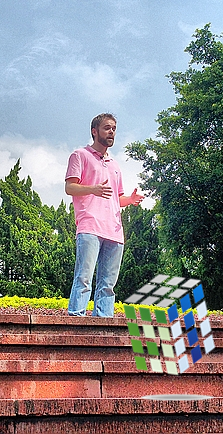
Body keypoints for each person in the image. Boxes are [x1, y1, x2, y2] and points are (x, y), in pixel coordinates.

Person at [65, 113, 144, 317]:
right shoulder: (80, 155)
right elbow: (70, 187)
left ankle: (104, 324)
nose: (111, 132)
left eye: (114, 129)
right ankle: (76, 319)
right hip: (90, 226)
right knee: (84, 278)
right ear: (95, 131)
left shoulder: (115, 165)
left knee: (108, 284)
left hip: (114, 231)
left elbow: (116, 198)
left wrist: (130, 199)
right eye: (107, 128)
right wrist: (93, 189)